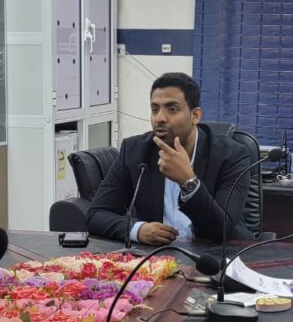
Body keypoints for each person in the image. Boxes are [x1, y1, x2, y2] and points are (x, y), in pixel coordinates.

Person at [87, 72, 252, 245]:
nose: (160, 118)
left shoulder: (231, 156)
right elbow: (96, 215)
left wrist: (189, 183)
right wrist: (137, 230)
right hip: (157, 256)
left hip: (214, 255)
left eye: (172, 109)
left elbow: (221, 229)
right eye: (155, 109)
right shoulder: (135, 151)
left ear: (195, 116)